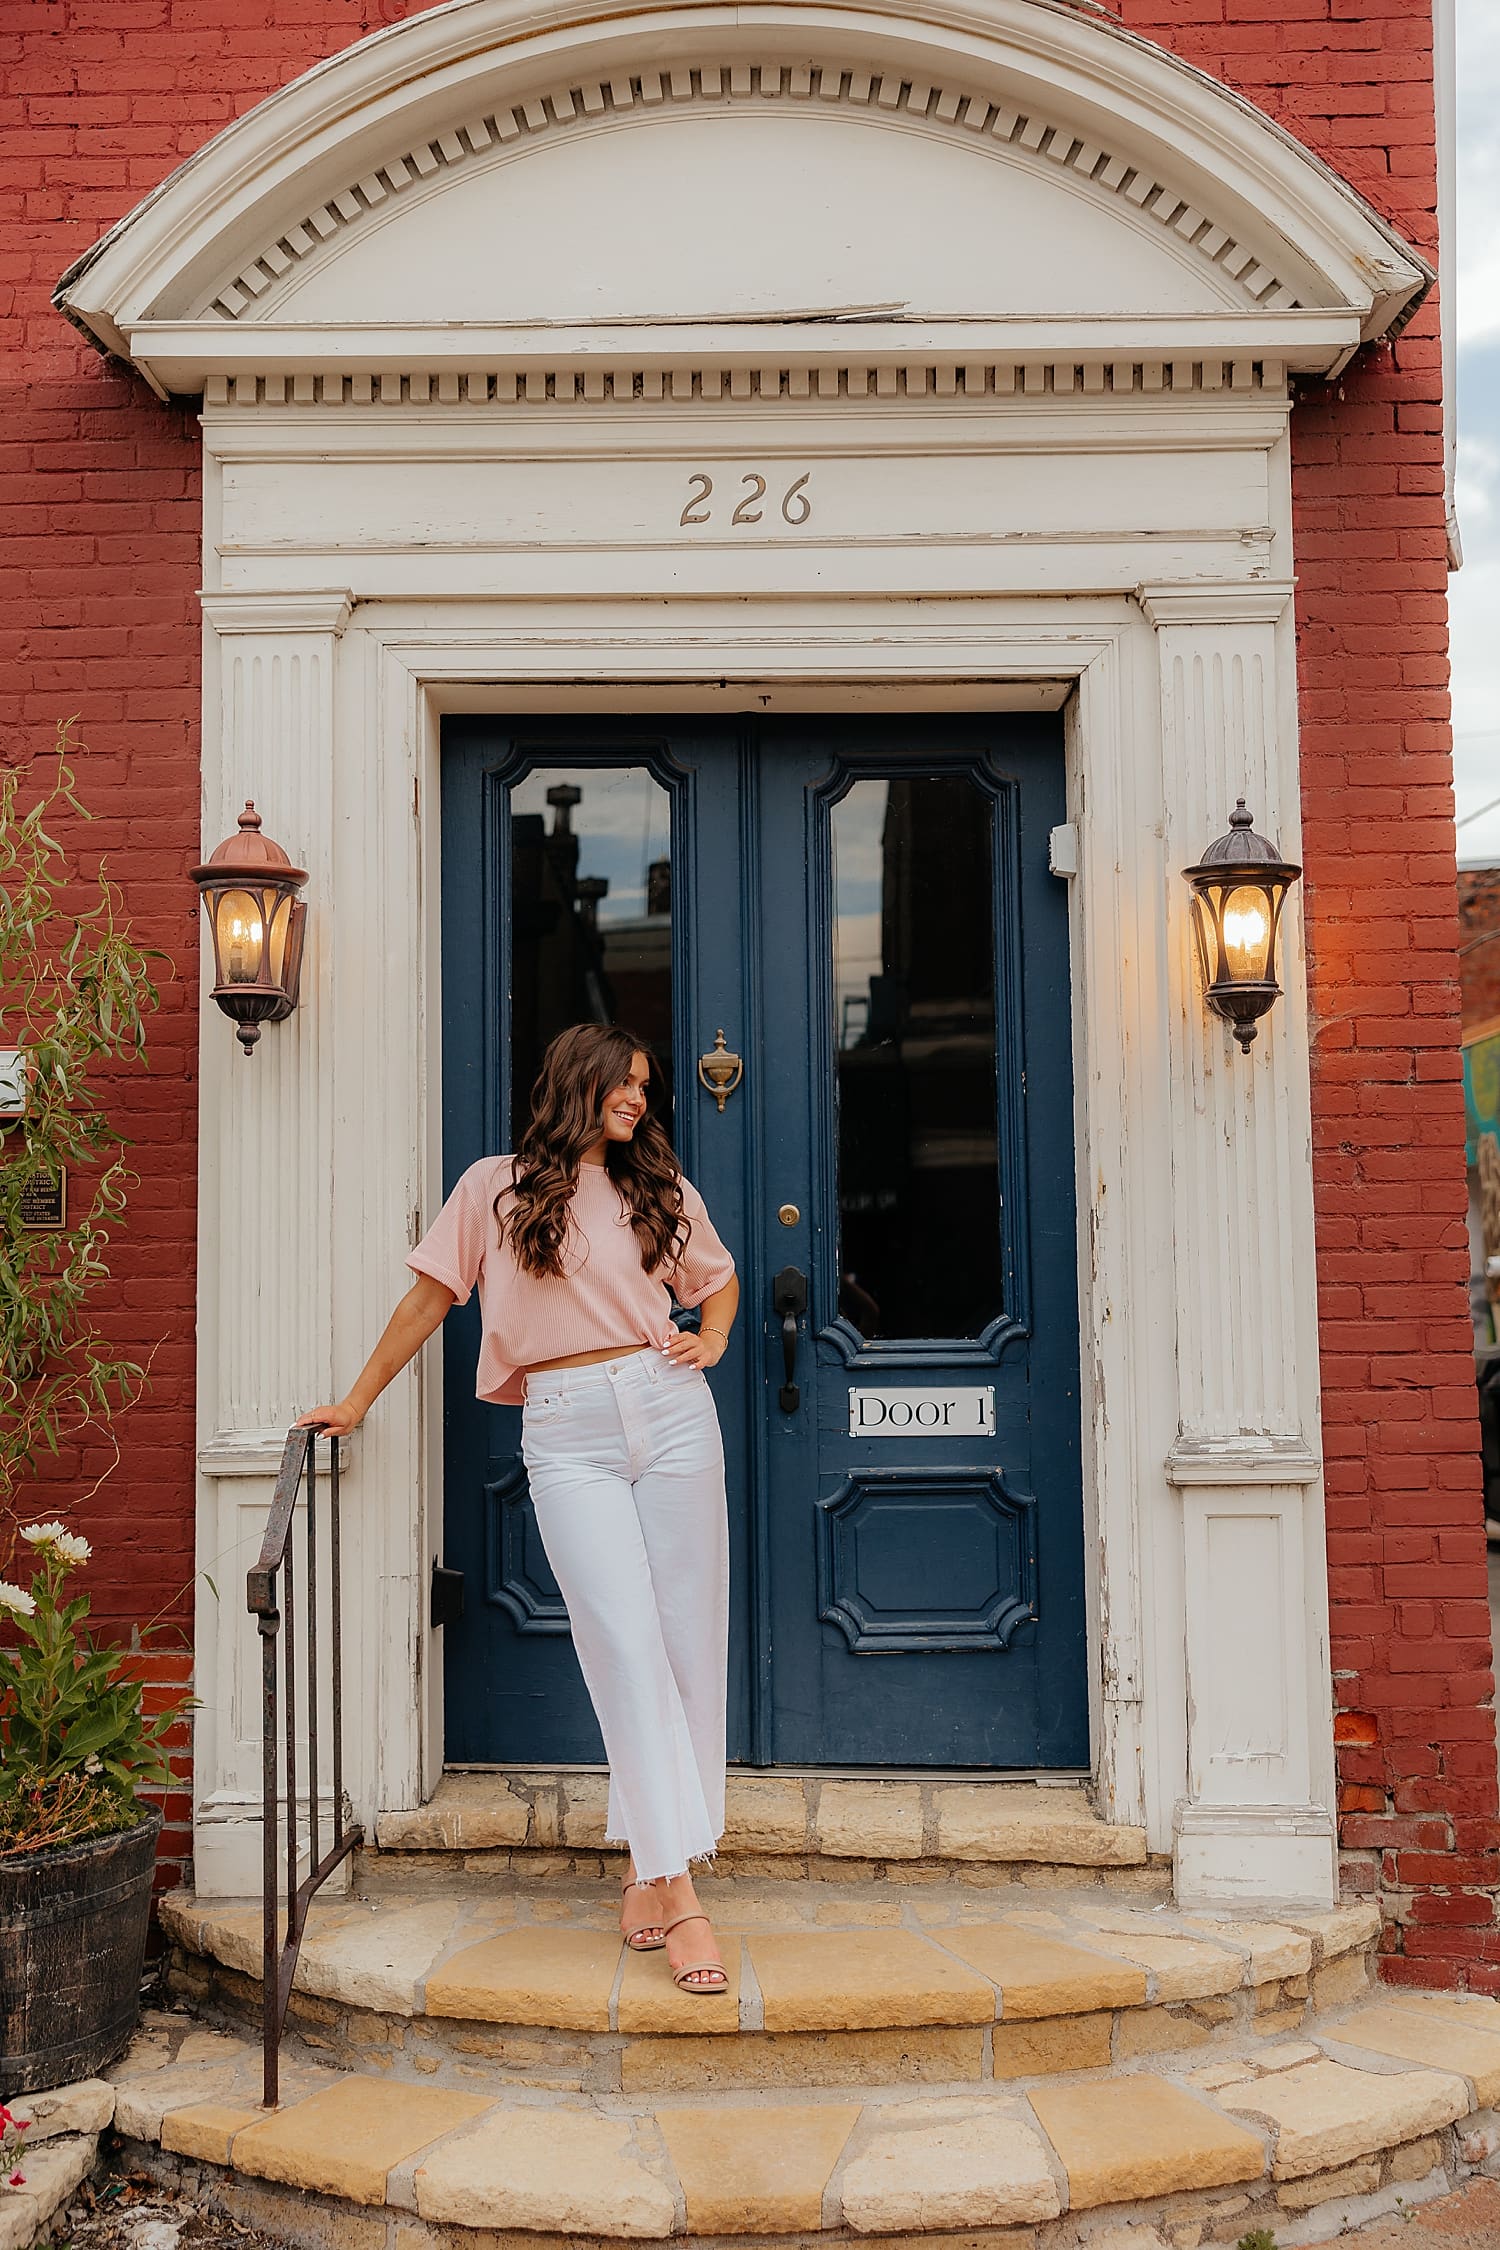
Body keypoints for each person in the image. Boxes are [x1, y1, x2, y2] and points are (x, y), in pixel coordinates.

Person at [298, 1022, 740, 1994]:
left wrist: (708, 1340)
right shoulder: (492, 1187)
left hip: (668, 1412)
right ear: (579, 1081)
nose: (639, 1099)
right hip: (567, 1423)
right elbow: (428, 1300)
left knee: (682, 1643)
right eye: (624, 1083)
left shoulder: (653, 1188)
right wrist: (358, 1398)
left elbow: (719, 1280)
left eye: (646, 1087)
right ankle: (683, 1898)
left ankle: (652, 1867)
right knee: (621, 1641)